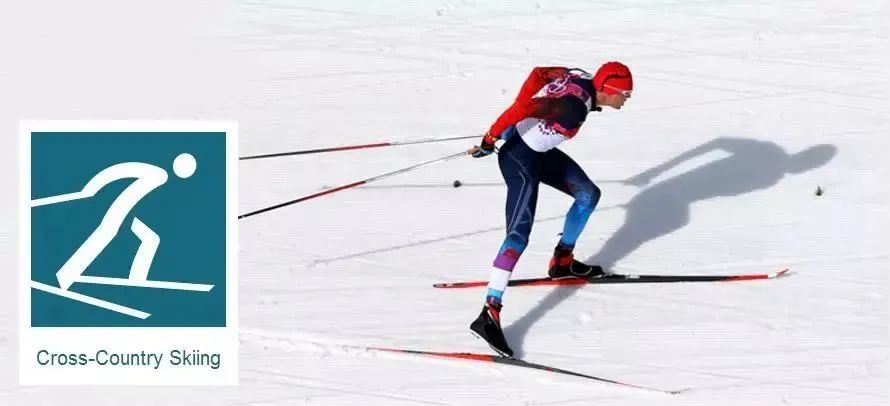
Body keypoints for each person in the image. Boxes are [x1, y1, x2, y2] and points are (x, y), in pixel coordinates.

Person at [467, 62, 633, 357]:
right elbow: (529, 107)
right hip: (520, 159)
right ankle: (489, 312)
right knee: (518, 235)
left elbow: (539, 73)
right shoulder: (573, 107)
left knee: (588, 195)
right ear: (609, 91)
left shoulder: (581, 79)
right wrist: (492, 136)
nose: (626, 100)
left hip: (537, 152)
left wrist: (505, 128)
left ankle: (562, 261)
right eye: (625, 94)